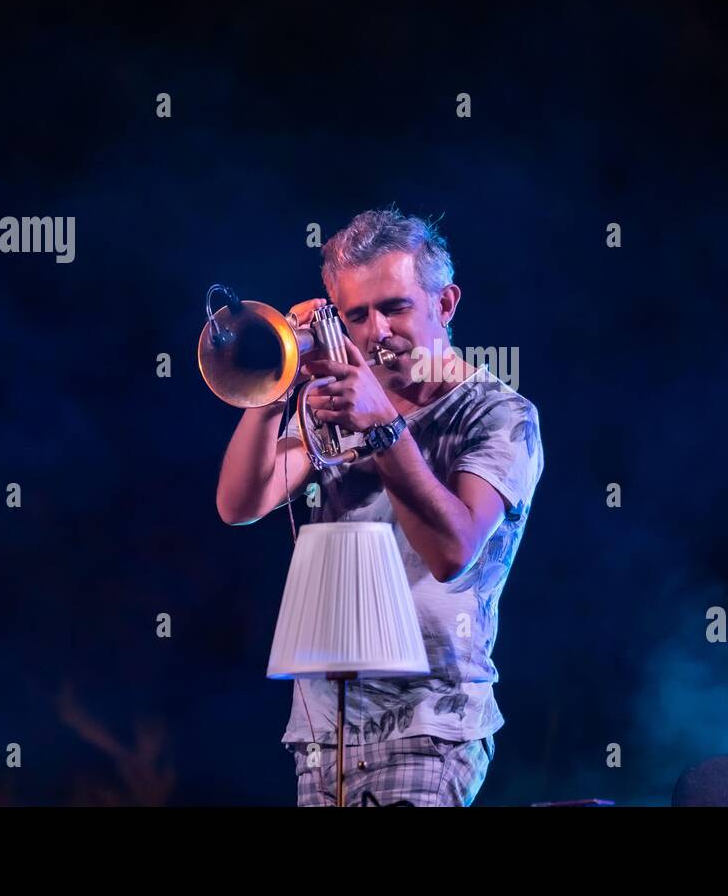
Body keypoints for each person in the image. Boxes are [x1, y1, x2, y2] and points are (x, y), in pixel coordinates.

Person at [216, 206, 543, 806]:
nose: (375, 332)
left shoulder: (499, 413)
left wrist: (384, 425)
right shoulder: (337, 402)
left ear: (444, 305)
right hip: (323, 725)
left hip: (431, 720)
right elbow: (240, 504)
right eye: (355, 314)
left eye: (395, 307)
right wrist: (275, 383)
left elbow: (453, 551)